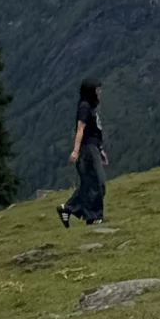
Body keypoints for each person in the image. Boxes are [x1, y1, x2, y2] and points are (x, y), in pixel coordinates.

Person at [57, 79, 108, 228]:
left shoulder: (90, 107)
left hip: (93, 148)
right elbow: (80, 129)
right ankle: (93, 216)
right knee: (97, 182)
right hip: (87, 149)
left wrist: (100, 150)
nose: (99, 93)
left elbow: (95, 132)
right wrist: (76, 150)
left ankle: (68, 208)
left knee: (90, 183)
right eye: (97, 90)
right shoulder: (85, 107)